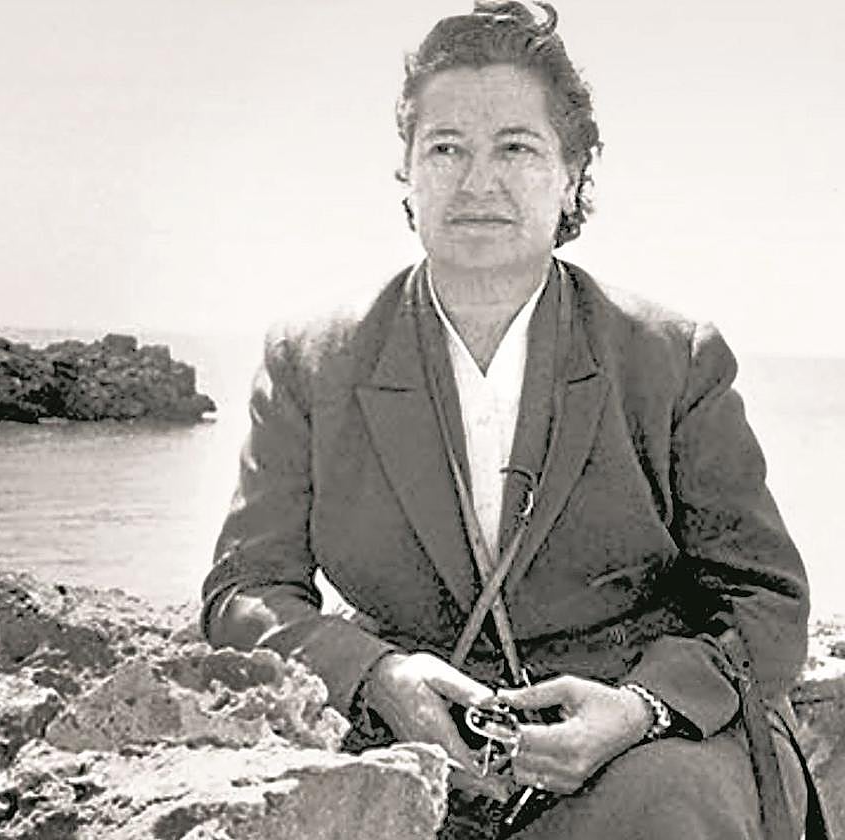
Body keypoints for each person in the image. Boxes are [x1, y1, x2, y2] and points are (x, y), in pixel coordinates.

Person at [199, 3, 826, 839]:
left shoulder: (673, 357)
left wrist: (640, 708)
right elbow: (244, 589)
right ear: (406, 174)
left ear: (571, 175)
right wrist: (379, 677)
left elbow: (764, 600)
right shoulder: (311, 360)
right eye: (446, 148)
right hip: (406, 733)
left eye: (517, 149)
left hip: (636, 742)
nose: (477, 182)